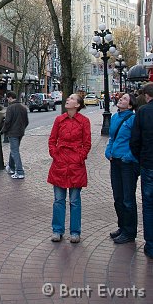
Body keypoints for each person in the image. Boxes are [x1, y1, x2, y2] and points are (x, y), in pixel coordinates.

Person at [48, 93, 91, 243]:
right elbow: (52, 140)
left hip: (75, 165)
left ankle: (75, 231)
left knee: (74, 200)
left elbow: (87, 143)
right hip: (59, 163)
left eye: (72, 99)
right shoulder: (59, 119)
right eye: (69, 98)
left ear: (78, 105)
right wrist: (55, 155)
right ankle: (57, 230)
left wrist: (80, 157)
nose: (68, 100)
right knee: (58, 199)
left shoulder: (84, 121)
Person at [105, 93, 139, 244]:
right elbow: (112, 138)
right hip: (115, 161)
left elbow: (137, 140)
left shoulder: (133, 119)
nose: (121, 99)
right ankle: (122, 226)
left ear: (130, 105)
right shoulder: (114, 118)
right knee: (117, 197)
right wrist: (109, 152)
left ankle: (129, 232)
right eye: (121, 97)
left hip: (128, 163)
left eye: (125, 99)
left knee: (128, 199)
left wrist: (128, 155)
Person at [130, 83, 153, 259]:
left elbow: (135, 141)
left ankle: (151, 244)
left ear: (146, 96)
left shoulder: (143, 112)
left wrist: (141, 158)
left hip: (148, 163)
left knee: (149, 204)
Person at [1, 91, 29, 179]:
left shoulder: (10, 108)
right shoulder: (23, 107)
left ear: (10, 98)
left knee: (15, 151)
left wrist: (3, 130)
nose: (7, 100)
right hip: (20, 132)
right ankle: (11, 167)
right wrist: (22, 128)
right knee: (14, 149)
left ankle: (20, 171)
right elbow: (26, 121)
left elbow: (7, 121)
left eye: (7, 99)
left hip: (12, 132)